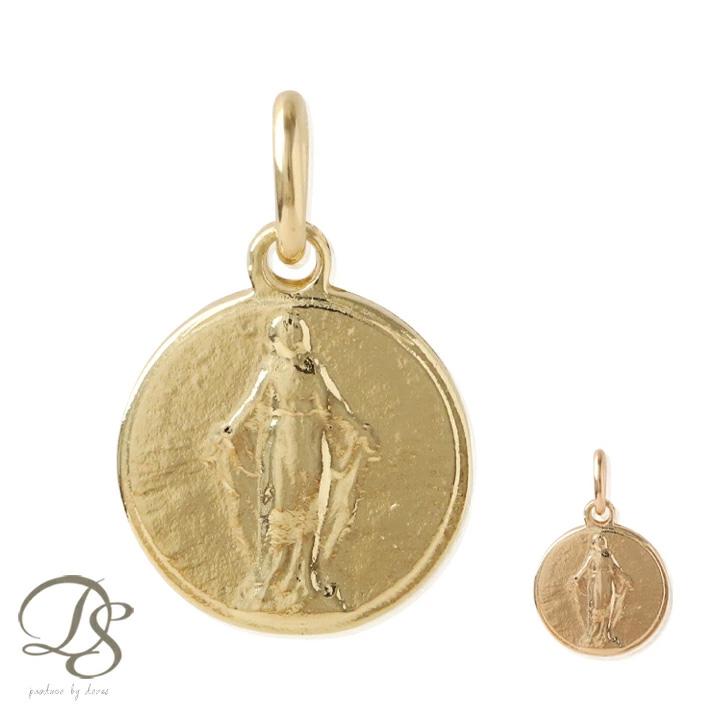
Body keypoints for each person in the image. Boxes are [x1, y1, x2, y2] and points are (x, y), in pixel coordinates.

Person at [212, 312, 378, 612]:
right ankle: (275, 574)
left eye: (295, 323)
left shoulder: (314, 368)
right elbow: (252, 400)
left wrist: (357, 427)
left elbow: (335, 403)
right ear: (275, 337)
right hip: (283, 441)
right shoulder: (273, 366)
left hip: (312, 441)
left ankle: (305, 574)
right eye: (286, 324)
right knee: (283, 504)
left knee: (310, 504)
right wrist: (232, 427)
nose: (292, 325)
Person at [572, 533, 632, 648]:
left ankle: (605, 633)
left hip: (608, 582)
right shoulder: (592, 555)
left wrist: (623, 577)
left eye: (601, 540)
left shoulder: (609, 554)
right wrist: (577, 576)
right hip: (597, 583)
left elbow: (617, 567)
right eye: (598, 540)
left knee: (607, 605)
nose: (600, 542)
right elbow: (584, 567)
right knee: (597, 605)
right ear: (594, 543)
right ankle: (594, 633)